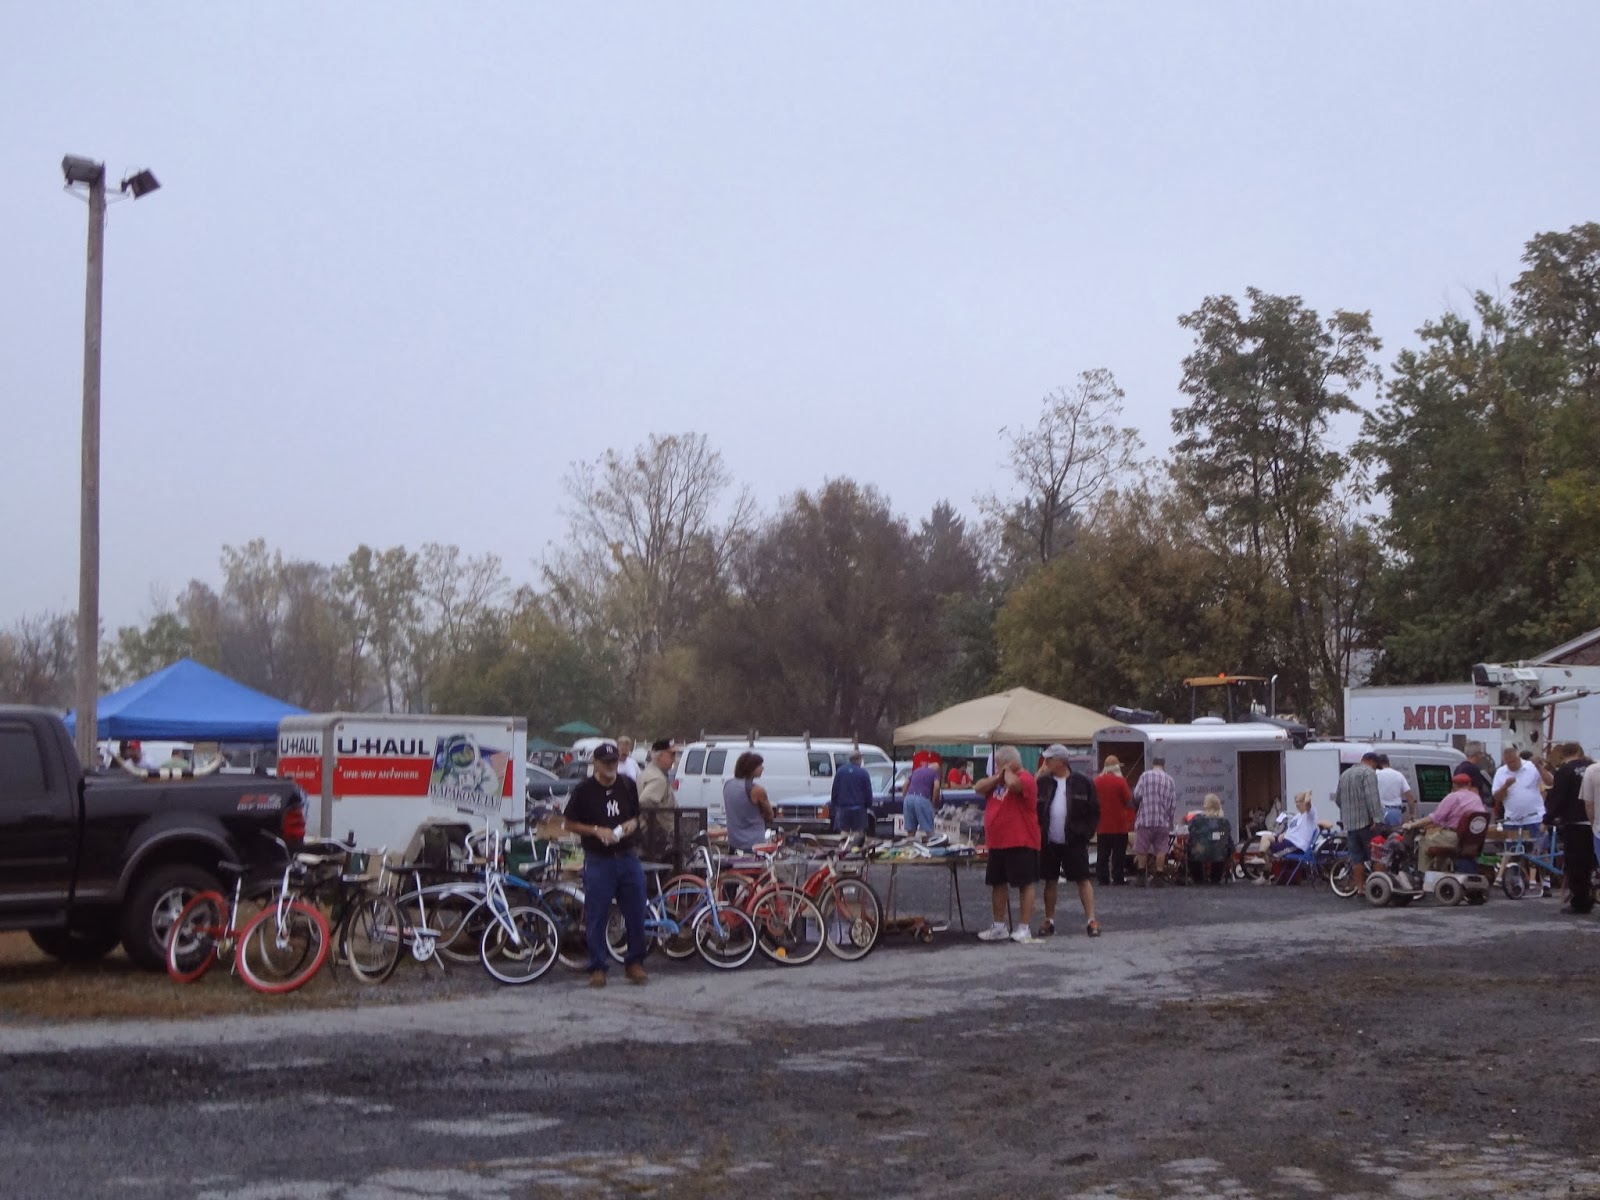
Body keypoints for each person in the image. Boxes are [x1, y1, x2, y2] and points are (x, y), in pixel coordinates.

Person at [559, 741, 648, 988]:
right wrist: (596, 830)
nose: (611, 766)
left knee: (636, 911)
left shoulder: (627, 785)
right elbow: (569, 823)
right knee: (597, 913)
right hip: (599, 859)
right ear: (596, 764)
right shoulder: (584, 790)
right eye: (606, 762)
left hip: (627, 855)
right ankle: (598, 966)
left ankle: (635, 962)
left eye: (614, 761)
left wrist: (631, 824)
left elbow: (635, 815)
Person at [974, 746, 1041, 944]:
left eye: (997, 764)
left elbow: (1013, 785)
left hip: (1021, 840)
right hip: (998, 842)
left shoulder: (1025, 778)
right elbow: (978, 787)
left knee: (1024, 883)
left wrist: (1007, 772)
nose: (995, 767)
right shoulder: (997, 781)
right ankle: (999, 926)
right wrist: (997, 777)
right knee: (997, 883)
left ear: (1007, 763)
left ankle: (1024, 928)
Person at [1036, 744, 1101, 937]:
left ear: (1061, 761)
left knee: (1082, 879)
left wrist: (1086, 832)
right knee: (1050, 880)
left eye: (1049, 759)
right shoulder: (1043, 783)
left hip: (1074, 839)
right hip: (1049, 840)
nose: (1046, 763)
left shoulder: (1083, 782)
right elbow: (1033, 805)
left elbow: (1094, 810)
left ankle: (1091, 920)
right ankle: (1049, 920)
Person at [1546, 743, 1595, 915]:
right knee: (1592, 862)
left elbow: (1558, 797)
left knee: (1577, 865)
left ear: (1564, 754)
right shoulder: (1593, 767)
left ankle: (1581, 901)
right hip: (1596, 823)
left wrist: (1547, 818)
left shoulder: (1565, 771)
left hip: (1576, 822)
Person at [1494, 745, 1549, 895]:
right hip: (1512, 819)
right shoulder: (1501, 772)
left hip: (1534, 817)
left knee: (1540, 849)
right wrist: (1505, 786)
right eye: (1508, 763)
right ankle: (1514, 882)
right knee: (1512, 851)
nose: (1511, 765)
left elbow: (1550, 782)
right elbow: (1497, 797)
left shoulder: (1531, 767)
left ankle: (1546, 882)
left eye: (1513, 762)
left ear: (1519, 758)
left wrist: (1539, 767)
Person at [1404, 773, 1488, 868]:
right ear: (1469, 784)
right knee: (1440, 843)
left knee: (1423, 843)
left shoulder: (1453, 797)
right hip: (1471, 841)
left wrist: (1412, 825)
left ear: (1454, 784)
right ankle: (1440, 871)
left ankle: (1423, 873)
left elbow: (1434, 818)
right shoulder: (1476, 798)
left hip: (1453, 838)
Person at [1335, 751, 1386, 892]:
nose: (1375, 769)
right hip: (1366, 824)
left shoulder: (1344, 774)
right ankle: (1378, 888)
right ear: (1371, 761)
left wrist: (1348, 812)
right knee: (1377, 856)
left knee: (1357, 859)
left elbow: (1338, 799)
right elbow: (1372, 798)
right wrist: (1377, 818)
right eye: (1375, 766)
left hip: (1350, 825)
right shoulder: (1368, 773)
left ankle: (1360, 888)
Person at [1252, 791, 1324, 885]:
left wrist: (1307, 793)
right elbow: (1292, 830)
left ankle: (1265, 873)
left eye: (1300, 801)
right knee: (1265, 837)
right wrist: (1284, 833)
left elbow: (1308, 803)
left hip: (1295, 844)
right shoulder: (1297, 816)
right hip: (1286, 839)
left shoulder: (1310, 815)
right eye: (1296, 802)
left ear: (1304, 802)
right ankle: (1261, 857)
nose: (1297, 804)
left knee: (1268, 851)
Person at [1132, 756, 1178, 885]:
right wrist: (1170, 821)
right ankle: (1159, 875)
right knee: (1161, 849)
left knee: (1142, 848)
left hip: (1145, 819)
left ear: (1152, 764)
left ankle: (1141, 876)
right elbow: (1173, 804)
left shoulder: (1145, 776)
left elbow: (1137, 795)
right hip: (1162, 821)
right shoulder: (1170, 780)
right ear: (1163, 765)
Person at [1094, 755, 1135, 886]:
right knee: (1118, 854)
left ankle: (1102, 878)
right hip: (1119, 825)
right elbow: (1129, 801)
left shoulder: (1097, 781)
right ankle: (1118, 878)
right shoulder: (1120, 781)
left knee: (1102, 854)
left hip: (1102, 825)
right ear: (1117, 767)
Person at [723, 752, 776, 853]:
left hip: (734, 841)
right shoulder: (757, 790)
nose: (762, 768)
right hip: (754, 842)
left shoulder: (728, 785)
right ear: (751, 768)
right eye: (759, 766)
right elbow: (770, 815)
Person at [1185, 794, 1234, 884]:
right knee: (1219, 848)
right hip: (1219, 852)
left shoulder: (1197, 820)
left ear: (1206, 805)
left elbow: (1191, 832)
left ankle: (1198, 878)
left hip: (1200, 851)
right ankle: (1215, 877)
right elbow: (1228, 839)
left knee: (1194, 849)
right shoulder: (1224, 822)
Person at [830, 749, 875, 835]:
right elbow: (868, 791)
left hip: (843, 809)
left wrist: (834, 806)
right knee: (857, 834)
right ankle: (855, 842)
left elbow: (835, 790)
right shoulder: (863, 773)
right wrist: (868, 805)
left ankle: (844, 842)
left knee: (844, 832)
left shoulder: (840, 771)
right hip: (859, 809)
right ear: (859, 759)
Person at [902, 755, 942, 840]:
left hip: (909, 799)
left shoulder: (916, 771)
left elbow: (904, 785)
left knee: (910, 831)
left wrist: (905, 797)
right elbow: (937, 787)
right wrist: (933, 803)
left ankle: (909, 845)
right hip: (922, 798)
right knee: (929, 831)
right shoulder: (934, 773)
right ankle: (931, 844)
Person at [1374, 754, 1415, 825]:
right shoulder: (1399, 775)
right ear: (1388, 762)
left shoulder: (1374, 774)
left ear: (1377, 764)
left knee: (1378, 832)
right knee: (1394, 832)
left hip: (1378, 812)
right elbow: (1409, 796)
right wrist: (1412, 814)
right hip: (1394, 812)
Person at [637, 739, 676, 809]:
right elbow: (645, 801)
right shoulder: (658, 779)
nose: (674, 759)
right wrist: (659, 814)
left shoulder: (647, 772)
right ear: (660, 756)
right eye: (672, 755)